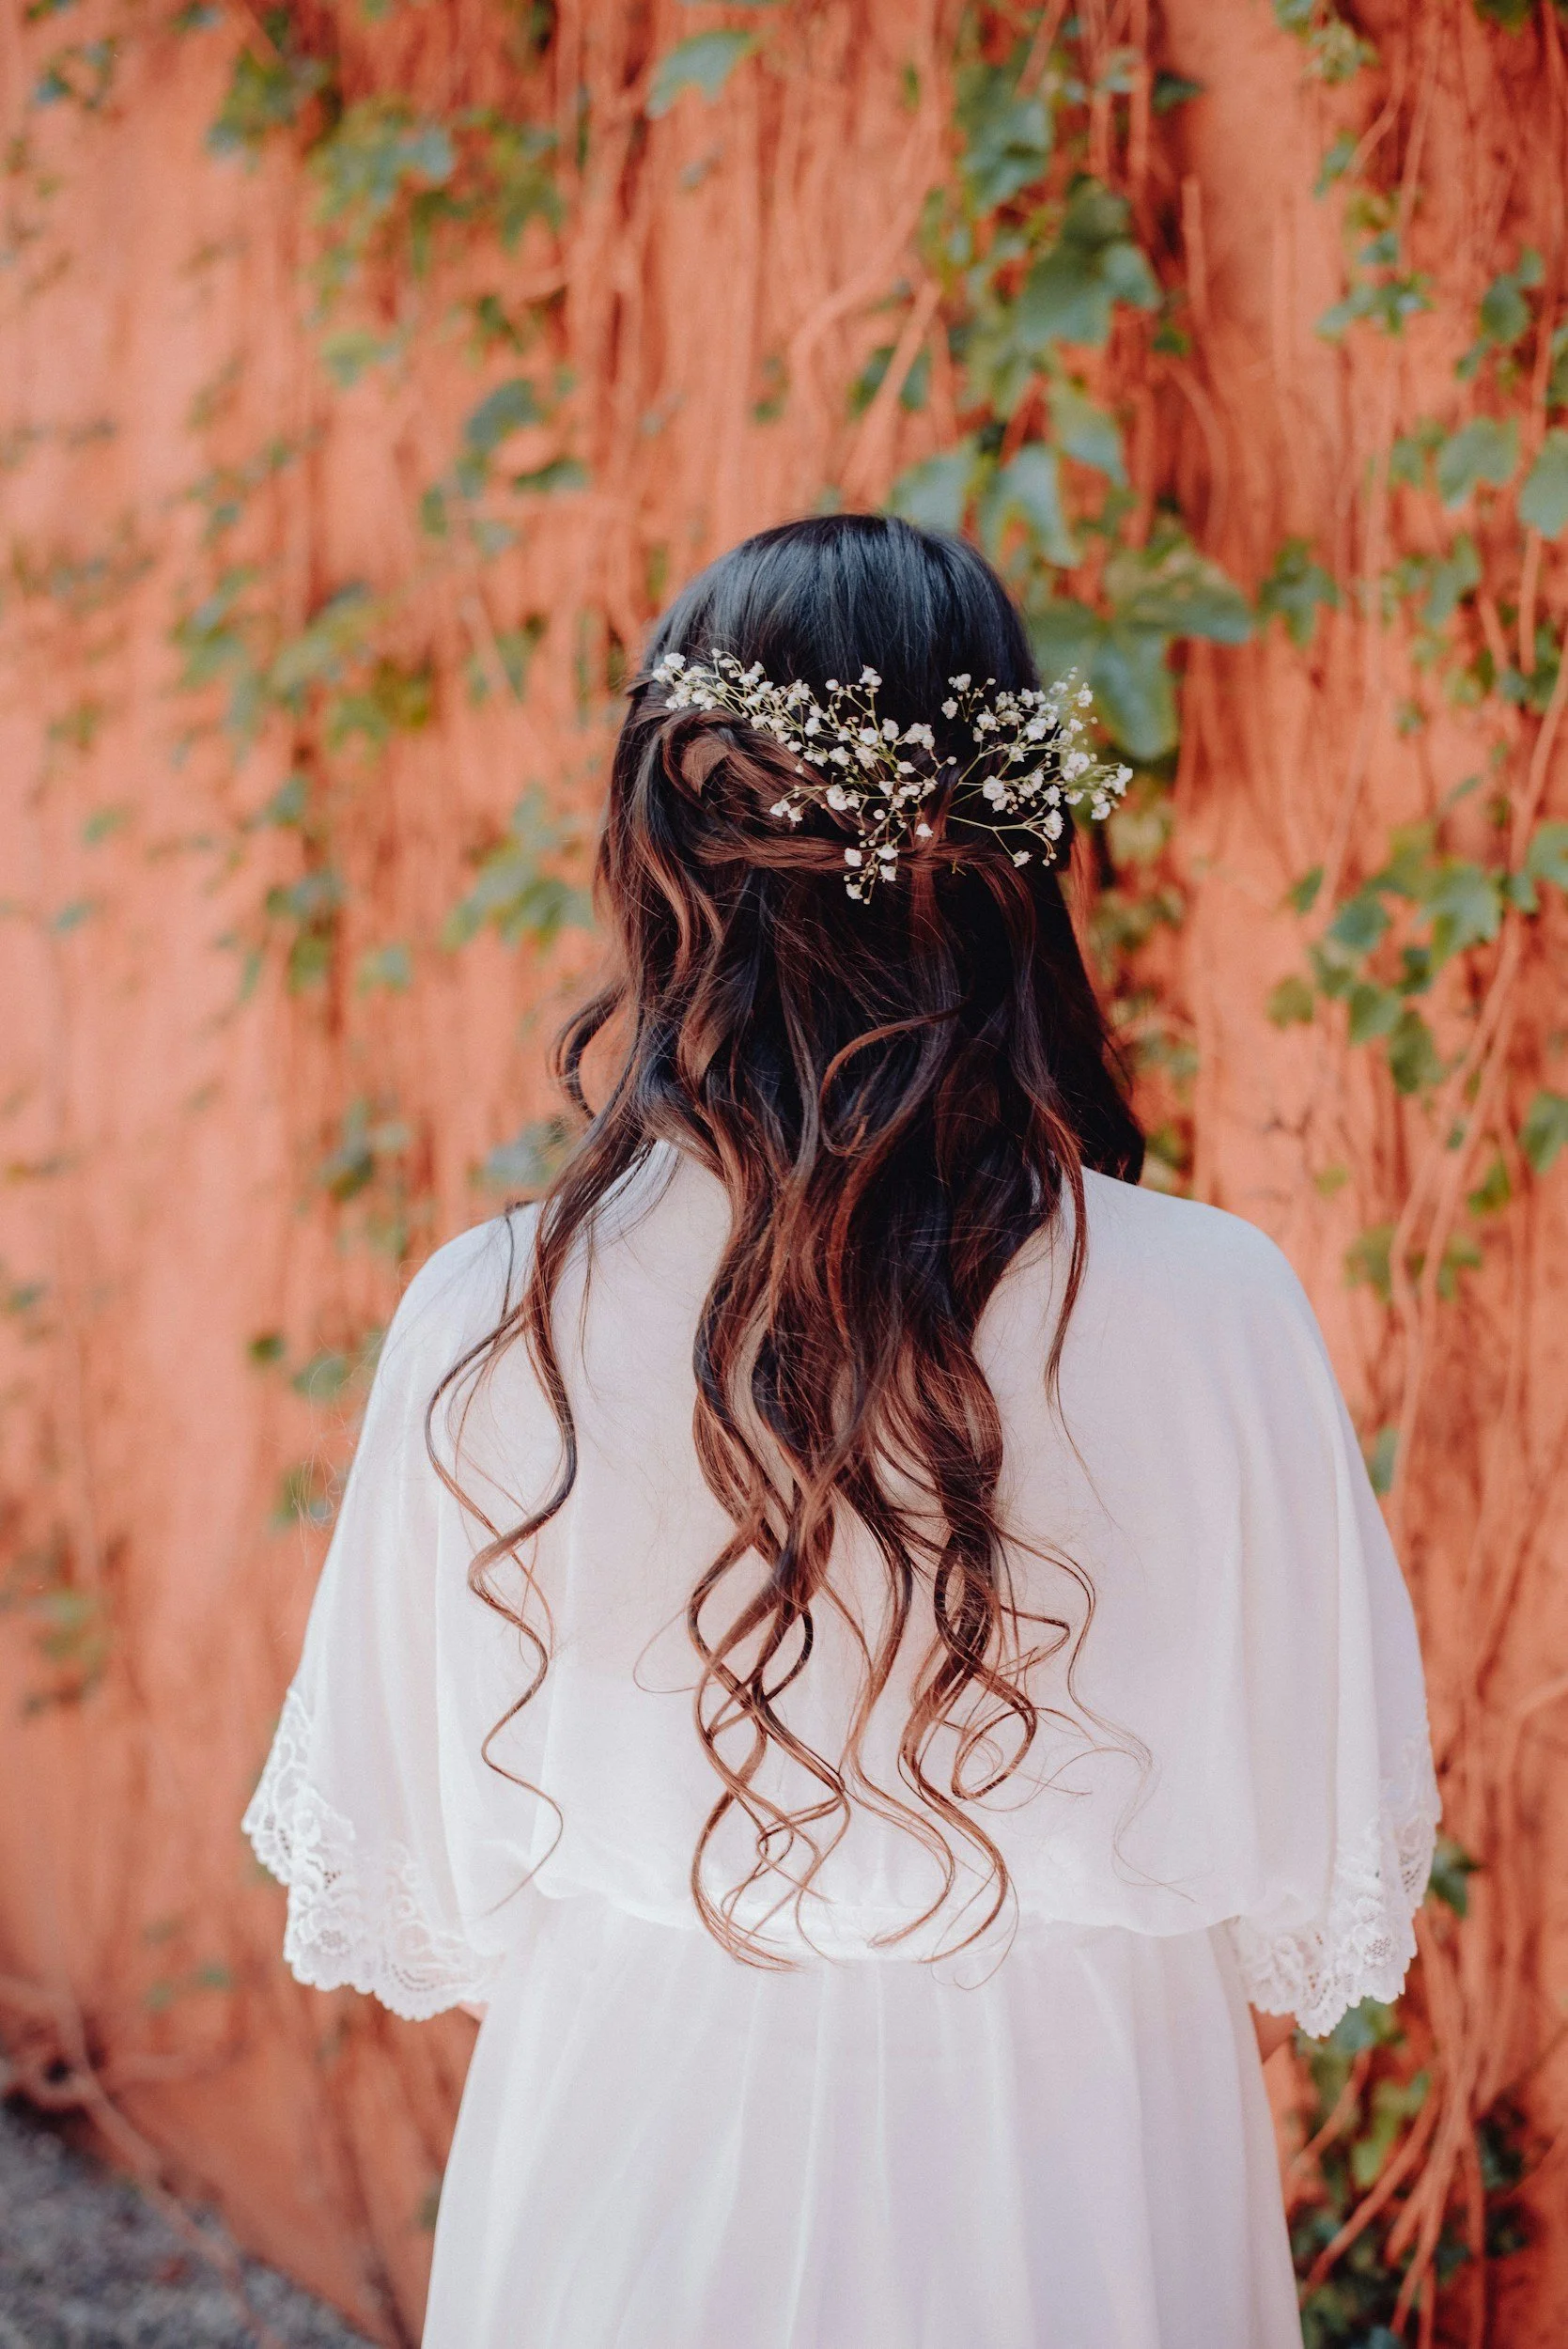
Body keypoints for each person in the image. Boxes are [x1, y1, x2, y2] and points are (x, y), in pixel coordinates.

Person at [245, 514, 1437, 2349]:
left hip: (634, 2122)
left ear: (659, 854)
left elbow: (431, 1874)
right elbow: (1308, 1852)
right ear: (1017, 848)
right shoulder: (1221, 1309)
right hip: (1085, 2144)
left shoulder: (491, 1320)